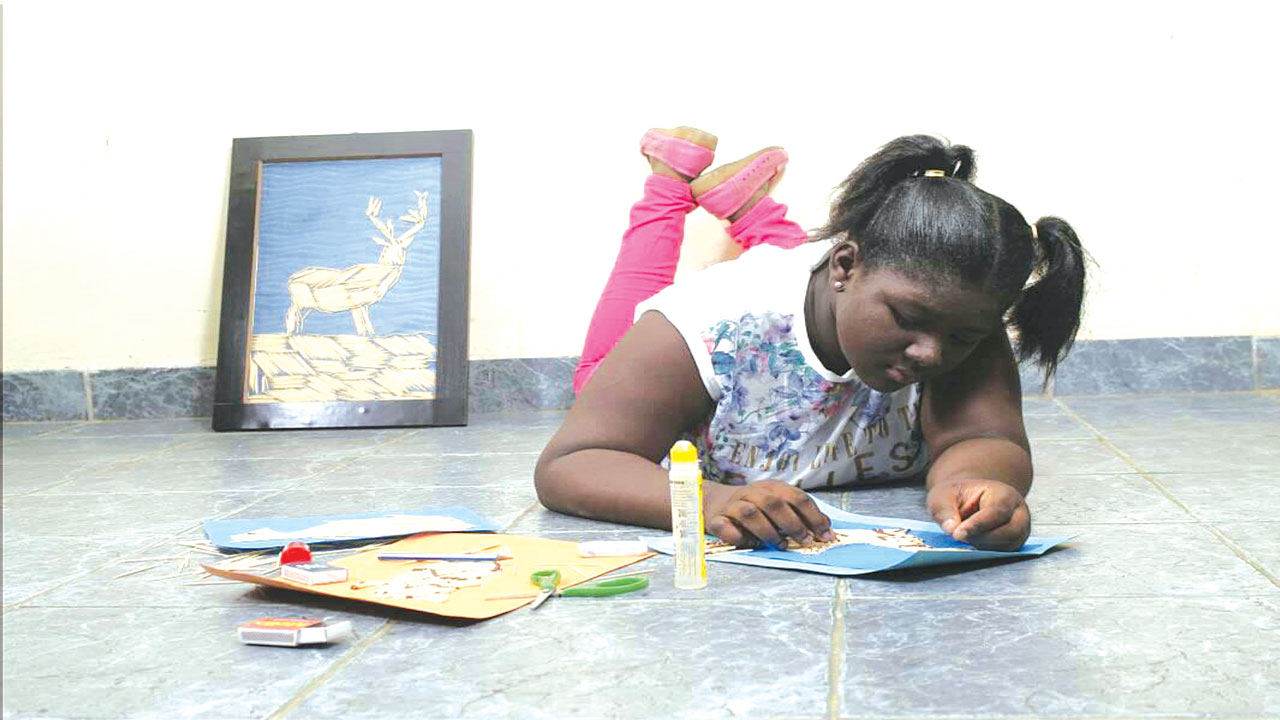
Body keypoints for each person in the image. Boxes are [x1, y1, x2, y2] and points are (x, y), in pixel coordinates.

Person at [534, 127, 1086, 552]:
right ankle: (671, 186)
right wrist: (710, 502)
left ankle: (749, 209)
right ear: (843, 264)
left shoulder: (951, 314)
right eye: (905, 318)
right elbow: (573, 463)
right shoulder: (707, 320)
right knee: (620, 328)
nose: (931, 353)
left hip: (822, 292)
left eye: (963, 336)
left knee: (816, 281)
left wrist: (975, 483)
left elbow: (984, 436)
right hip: (682, 349)